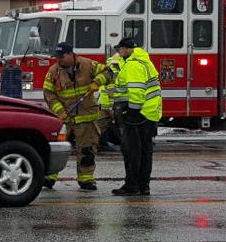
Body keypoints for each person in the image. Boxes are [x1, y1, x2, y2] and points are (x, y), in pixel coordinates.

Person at [42, 42, 113, 191]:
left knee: (87, 151)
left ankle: (86, 180)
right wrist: (60, 112)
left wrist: (96, 82)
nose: (58, 60)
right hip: (64, 119)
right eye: (57, 57)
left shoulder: (87, 65)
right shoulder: (53, 72)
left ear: (70, 54)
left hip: (86, 118)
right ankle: (48, 178)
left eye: (61, 57)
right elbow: (49, 95)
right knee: (56, 150)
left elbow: (109, 72)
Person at [112, 37, 162, 196]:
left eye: (119, 49)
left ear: (126, 49)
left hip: (137, 115)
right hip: (149, 113)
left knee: (132, 151)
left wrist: (132, 111)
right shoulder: (144, 61)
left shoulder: (133, 65)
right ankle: (143, 185)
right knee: (145, 151)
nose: (118, 53)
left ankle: (132, 185)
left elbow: (136, 90)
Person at [96, 51, 125, 152]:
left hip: (103, 102)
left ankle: (98, 144)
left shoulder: (109, 69)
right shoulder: (115, 73)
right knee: (104, 124)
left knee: (101, 124)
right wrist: (111, 108)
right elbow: (111, 91)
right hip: (107, 103)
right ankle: (99, 145)